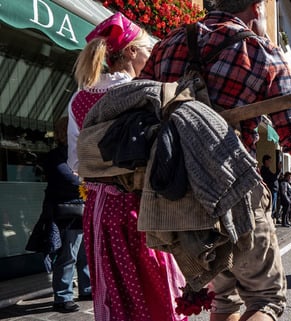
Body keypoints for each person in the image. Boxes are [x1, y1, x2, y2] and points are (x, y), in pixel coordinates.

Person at [138, 1, 291, 320]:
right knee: (265, 299)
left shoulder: (166, 45)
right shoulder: (260, 51)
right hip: (232, 192)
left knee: (225, 300)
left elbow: (139, 113)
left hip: (175, 199)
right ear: (257, 7)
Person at [67, 12, 186, 321]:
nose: (151, 54)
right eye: (147, 48)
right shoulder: (144, 92)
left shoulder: (79, 98)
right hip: (143, 204)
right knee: (156, 287)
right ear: (132, 52)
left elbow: (76, 162)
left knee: (119, 295)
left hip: (100, 208)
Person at [30, 117, 91, 313]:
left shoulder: (78, 153)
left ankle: (87, 289)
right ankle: (62, 298)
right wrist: (84, 178)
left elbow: (81, 177)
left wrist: (81, 177)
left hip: (82, 209)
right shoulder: (56, 155)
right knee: (67, 256)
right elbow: (70, 179)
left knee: (85, 255)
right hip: (67, 213)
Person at [260, 154, 280, 222]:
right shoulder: (264, 170)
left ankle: (270, 220)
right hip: (270, 190)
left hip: (273, 190)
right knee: (271, 207)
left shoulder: (267, 169)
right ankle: (269, 221)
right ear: (266, 161)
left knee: (273, 207)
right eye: (269, 161)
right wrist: (278, 171)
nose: (270, 162)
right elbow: (272, 178)